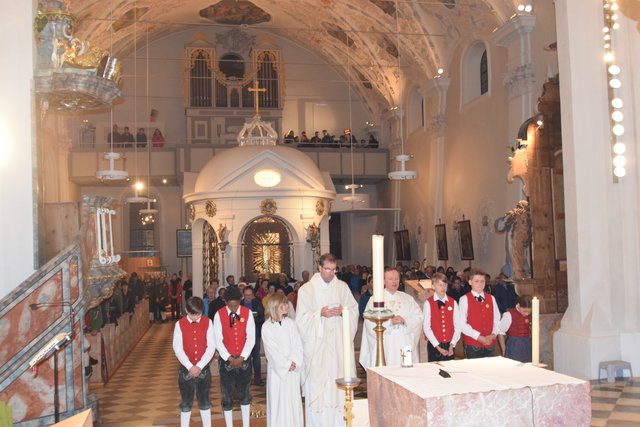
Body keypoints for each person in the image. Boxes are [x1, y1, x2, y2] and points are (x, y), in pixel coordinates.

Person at [296, 253, 358, 426]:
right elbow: (301, 320)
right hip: (318, 349)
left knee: (338, 383)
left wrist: (344, 312)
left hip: (339, 346)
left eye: (334, 269)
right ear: (319, 268)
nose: (331, 273)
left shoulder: (342, 287)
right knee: (319, 386)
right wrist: (319, 314)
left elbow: (354, 310)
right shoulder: (307, 290)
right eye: (327, 269)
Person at [359, 268, 423, 367]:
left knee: (405, 375)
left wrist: (405, 321)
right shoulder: (375, 299)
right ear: (384, 281)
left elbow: (418, 317)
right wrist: (389, 323)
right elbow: (369, 321)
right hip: (385, 343)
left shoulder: (407, 298)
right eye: (391, 279)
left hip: (404, 342)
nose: (394, 281)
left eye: (397, 278)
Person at [213, 286, 256, 427]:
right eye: (230, 306)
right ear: (225, 302)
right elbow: (218, 339)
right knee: (227, 396)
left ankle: (246, 424)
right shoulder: (218, 315)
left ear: (240, 301)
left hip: (244, 360)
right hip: (227, 362)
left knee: (245, 395)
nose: (233, 309)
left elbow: (251, 338)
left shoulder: (247, 313)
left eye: (236, 305)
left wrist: (242, 357)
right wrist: (229, 358)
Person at [172, 297, 215, 427]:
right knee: (186, 403)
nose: (196, 317)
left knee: (205, 402)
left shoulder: (208, 322)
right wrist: (190, 366)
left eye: (199, 314)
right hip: (186, 369)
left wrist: (200, 366)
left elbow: (211, 346)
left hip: (204, 369)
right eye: (193, 314)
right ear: (186, 310)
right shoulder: (179, 324)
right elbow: (177, 348)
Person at [262, 293, 304, 427]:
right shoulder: (267, 327)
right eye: (283, 304)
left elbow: (298, 345)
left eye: (286, 303)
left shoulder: (291, 324)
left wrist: (294, 362)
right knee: (278, 403)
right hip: (277, 372)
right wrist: (286, 364)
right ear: (275, 306)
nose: (286, 306)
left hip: (292, 372)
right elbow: (272, 351)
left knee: (292, 402)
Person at [459, 268, 501, 358]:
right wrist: (478, 337)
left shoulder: (491, 298)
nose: (480, 284)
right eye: (476, 281)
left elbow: (497, 319)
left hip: (490, 343)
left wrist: (494, 334)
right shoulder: (464, 299)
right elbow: (462, 324)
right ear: (470, 282)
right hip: (472, 344)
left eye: (482, 281)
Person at [423, 273, 462, 362]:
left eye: (445, 285)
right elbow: (426, 327)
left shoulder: (453, 302)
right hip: (434, 345)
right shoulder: (428, 303)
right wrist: (437, 346)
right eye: (440, 285)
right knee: (434, 371)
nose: (443, 287)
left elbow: (458, 326)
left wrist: (452, 345)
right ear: (433, 286)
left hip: (450, 345)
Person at [497, 295, 533, 363]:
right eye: (524, 311)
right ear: (519, 306)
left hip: (527, 345)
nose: (527, 314)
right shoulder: (509, 314)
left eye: (529, 311)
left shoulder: (531, 315)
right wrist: (504, 350)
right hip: (514, 345)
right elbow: (500, 332)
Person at [241, 286, 265, 386]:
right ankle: (247, 379)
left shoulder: (257, 302)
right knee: (246, 357)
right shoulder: (240, 304)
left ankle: (258, 378)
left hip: (256, 332)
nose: (249, 297)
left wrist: (253, 319)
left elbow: (262, 317)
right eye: (246, 295)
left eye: (250, 295)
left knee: (256, 356)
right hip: (244, 334)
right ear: (243, 295)